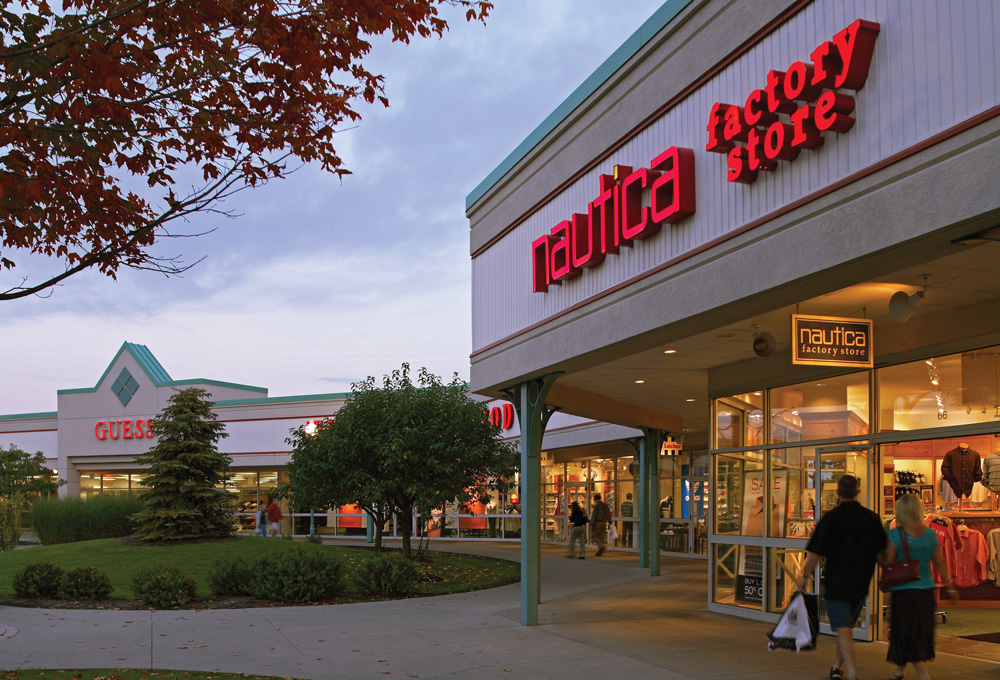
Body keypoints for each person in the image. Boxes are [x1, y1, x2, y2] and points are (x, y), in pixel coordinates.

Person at [795, 475, 889, 680]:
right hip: (862, 582)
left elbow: (815, 553)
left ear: (837, 494)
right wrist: (885, 573)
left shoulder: (830, 519)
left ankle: (853, 673)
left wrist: (804, 577)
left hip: (837, 582)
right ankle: (837, 667)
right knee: (844, 627)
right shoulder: (871, 518)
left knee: (844, 628)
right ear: (857, 492)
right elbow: (883, 552)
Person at [885, 494, 958, 680]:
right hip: (926, 590)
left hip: (902, 592)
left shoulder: (894, 535)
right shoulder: (930, 535)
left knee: (902, 630)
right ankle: (899, 670)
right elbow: (940, 563)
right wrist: (949, 586)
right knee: (919, 630)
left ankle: (922, 672)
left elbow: (888, 562)